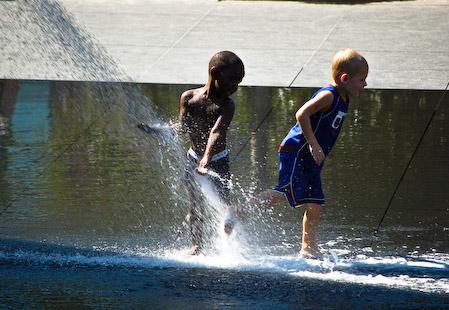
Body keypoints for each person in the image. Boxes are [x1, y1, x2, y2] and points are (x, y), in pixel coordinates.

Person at [247, 48, 368, 258]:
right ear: (345, 78)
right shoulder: (328, 96)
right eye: (362, 79)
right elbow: (301, 113)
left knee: (315, 202)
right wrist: (313, 144)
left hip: (311, 156)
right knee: (286, 193)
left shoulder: (344, 97)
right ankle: (240, 211)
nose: (365, 84)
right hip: (297, 151)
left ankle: (308, 247)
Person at [176, 51, 244, 255]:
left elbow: (217, 132)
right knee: (195, 205)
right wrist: (158, 130)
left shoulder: (227, 105)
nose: (235, 87)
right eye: (232, 81)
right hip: (193, 159)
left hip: (218, 161)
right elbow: (182, 128)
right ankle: (197, 245)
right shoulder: (189, 98)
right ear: (214, 74)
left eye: (239, 82)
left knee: (223, 207)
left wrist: (206, 158)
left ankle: (231, 247)